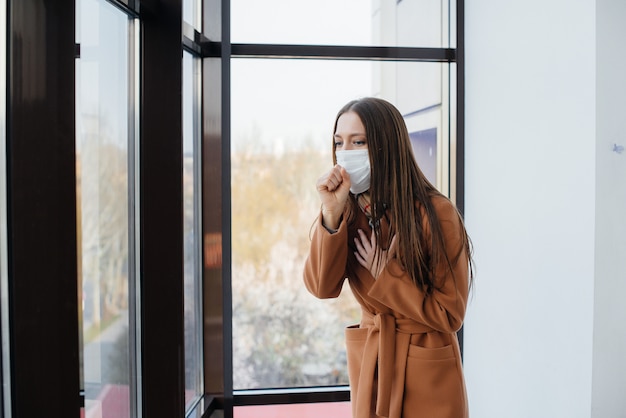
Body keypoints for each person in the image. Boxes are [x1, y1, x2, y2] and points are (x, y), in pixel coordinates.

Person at [303, 97, 474, 418]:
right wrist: (330, 213)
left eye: (359, 142)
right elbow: (321, 287)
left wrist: (388, 278)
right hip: (374, 359)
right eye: (339, 142)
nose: (346, 152)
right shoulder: (345, 211)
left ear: (386, 145)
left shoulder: (438, 213)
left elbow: (451, 314)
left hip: (427, 368)